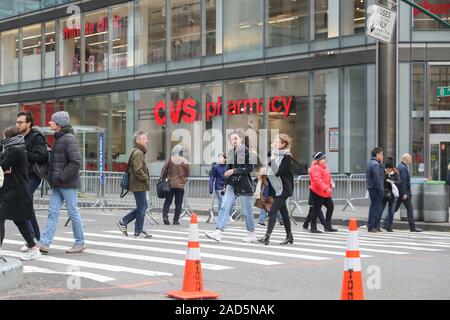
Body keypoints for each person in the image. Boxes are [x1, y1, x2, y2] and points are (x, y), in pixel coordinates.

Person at [39, 111, 86, 254]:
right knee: (52, 213)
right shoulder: (60, 138)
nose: (49, 123)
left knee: (73, 213)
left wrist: (61, 177)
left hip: (67, 184)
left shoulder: (68, 139)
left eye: (52, 121)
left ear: (59, 124)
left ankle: (80, 243)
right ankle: (45, 243)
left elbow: (75, 162)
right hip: (59, 184)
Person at [205, 129, 256, 243]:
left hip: (243, 184)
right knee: (224, 205)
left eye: (236, 138)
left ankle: (251, 234)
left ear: (241, 139)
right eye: (232, 139)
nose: (233, 141)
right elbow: (228, 170)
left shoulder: (246, 151)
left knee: (246, 211)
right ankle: (218, 232)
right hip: (231, 184)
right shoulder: (230, 152)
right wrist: (225, 184)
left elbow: (250, 168)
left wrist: (234, 170)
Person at [0, 126, 41, 261]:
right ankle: (34, 248)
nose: (3, 139)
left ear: (9, 138)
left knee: (1, 218)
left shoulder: (15, 151)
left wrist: (5, 168)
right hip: (14, 190)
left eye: (4, 137)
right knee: (19, 220)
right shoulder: (15, 149)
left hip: (15, 191)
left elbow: (2, 165)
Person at [16, 110, 49, 252]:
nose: (18, 125)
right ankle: (35, 238)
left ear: (28, 123)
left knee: (23, 203)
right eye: (17, 122)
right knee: (27, 207)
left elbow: (42, 157)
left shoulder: (36, 137)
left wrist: (24, 152)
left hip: (33, 176)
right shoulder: (18, 137)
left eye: (20, 122)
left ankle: (31, 241)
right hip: (21, 176)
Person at [258, 134, 294, 245]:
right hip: (276, 188)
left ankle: (267, 237)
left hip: (284, 188)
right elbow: (265, 165)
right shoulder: (273, 154)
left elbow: (279, 172)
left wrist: (272, 161)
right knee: (284, 213)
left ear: (283, 144)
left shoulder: (287, 157)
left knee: (272, 211)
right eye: (274, 141)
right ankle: (289, 236)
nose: (274, 143)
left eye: (277, 141)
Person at [116, 131, 152, 238]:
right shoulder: (138, 153)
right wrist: (146, 179)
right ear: (138, 140)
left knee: (143, 207)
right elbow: (137, 170)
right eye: (145, 138)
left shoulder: (137, 151)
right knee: (142, 208)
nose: (147, 140)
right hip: (139, 184)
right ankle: (137, 231)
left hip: (138, 184)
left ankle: (125, 222)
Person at [160, 144, 190, 225]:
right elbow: (188, 173)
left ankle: (165, 216)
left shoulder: (171, 159)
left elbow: (164, 169)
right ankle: (175, 220)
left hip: (171, 184)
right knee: (178, 203)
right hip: (180, 185)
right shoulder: (185, 161)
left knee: (168, 201)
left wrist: (163, 178)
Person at [308, 152, 338, 233]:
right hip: (317, 191)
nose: (325, 160)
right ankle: (313, 228)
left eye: (325, 158)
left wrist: (331, 182)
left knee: (330, 206)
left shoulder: (324, 167)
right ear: (318, 160)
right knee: (316, 209)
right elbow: (317, 180)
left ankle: (328, 226)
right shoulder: (315, 168)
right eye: (323, 159)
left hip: (325, 192)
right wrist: (325, 188)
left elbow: (328, 176)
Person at [394, 153, 423, 232]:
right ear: (406, 159)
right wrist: (404, 193)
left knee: (394, 208)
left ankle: (386, 223)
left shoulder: (400, 166)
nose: (411, 160)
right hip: (404, 193)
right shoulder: (403, 168)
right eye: (410, 159)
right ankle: (412, 227)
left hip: (400, 192)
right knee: (410, 209)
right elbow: (403, 181)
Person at [366, 147, 385, 233]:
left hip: (372, 188)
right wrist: (381, 189)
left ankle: (375, 226)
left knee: (375, 207)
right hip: (375, 189)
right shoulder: (375, 164)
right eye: (381, 154)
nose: (382, 156)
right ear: (377, 154)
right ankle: (372, 226)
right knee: (375, 207)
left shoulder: (372, 162)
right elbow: (377, 178)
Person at [380, 157, 401, 232]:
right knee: (380, 209)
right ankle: (378, 225)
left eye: (389, 168)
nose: (388, 169)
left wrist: (392, 182)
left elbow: (399, 182)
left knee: (391, 211)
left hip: (393, 195)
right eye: (387, 168)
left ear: (392, 168)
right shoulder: (383, 173)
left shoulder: (396, 173)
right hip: (384, 194)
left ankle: (389, 226)